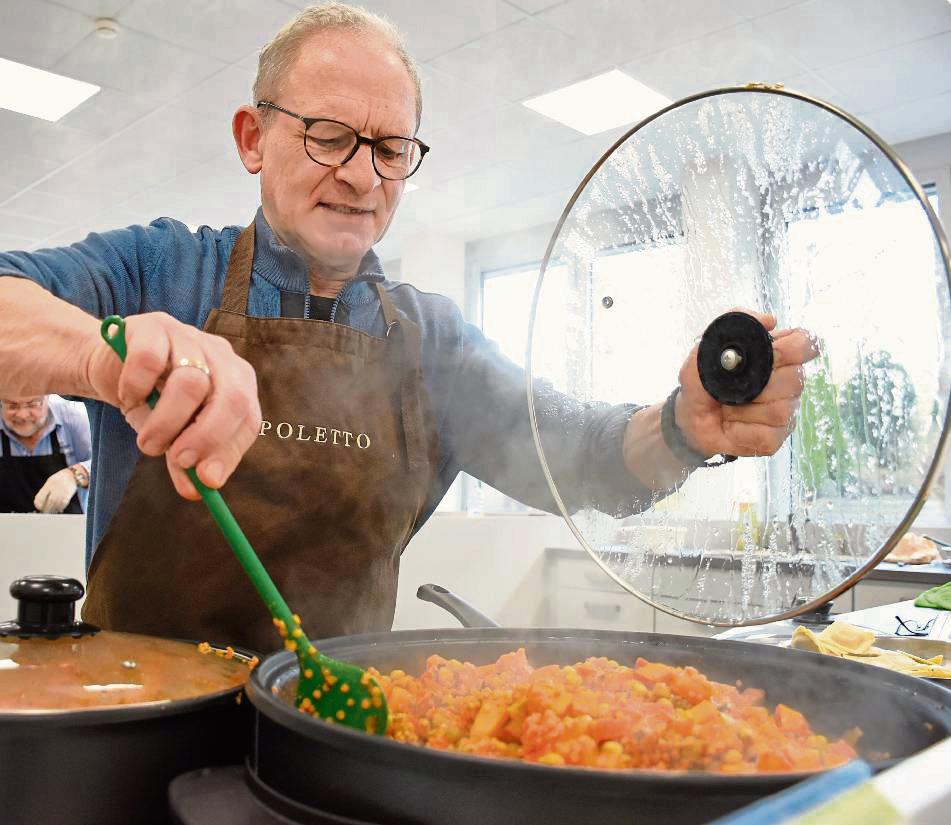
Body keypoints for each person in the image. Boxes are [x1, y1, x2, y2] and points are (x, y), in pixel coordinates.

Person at [0, 3, 815, 651]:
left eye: (390, 148)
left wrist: (683, 425)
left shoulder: (435, 346)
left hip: (329, 733)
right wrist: (105, 359)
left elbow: (585, 457)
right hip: (135, 722)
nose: (360, 176)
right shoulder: (161, 270)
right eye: (328, 136)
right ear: (254, 138)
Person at [0, 394, 91, 514]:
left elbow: (107, 466)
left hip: (68, 528)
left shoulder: (74, 418)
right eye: (12, 406)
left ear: (47, 396)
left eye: (32, 404)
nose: (23, 415)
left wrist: (76, 474)